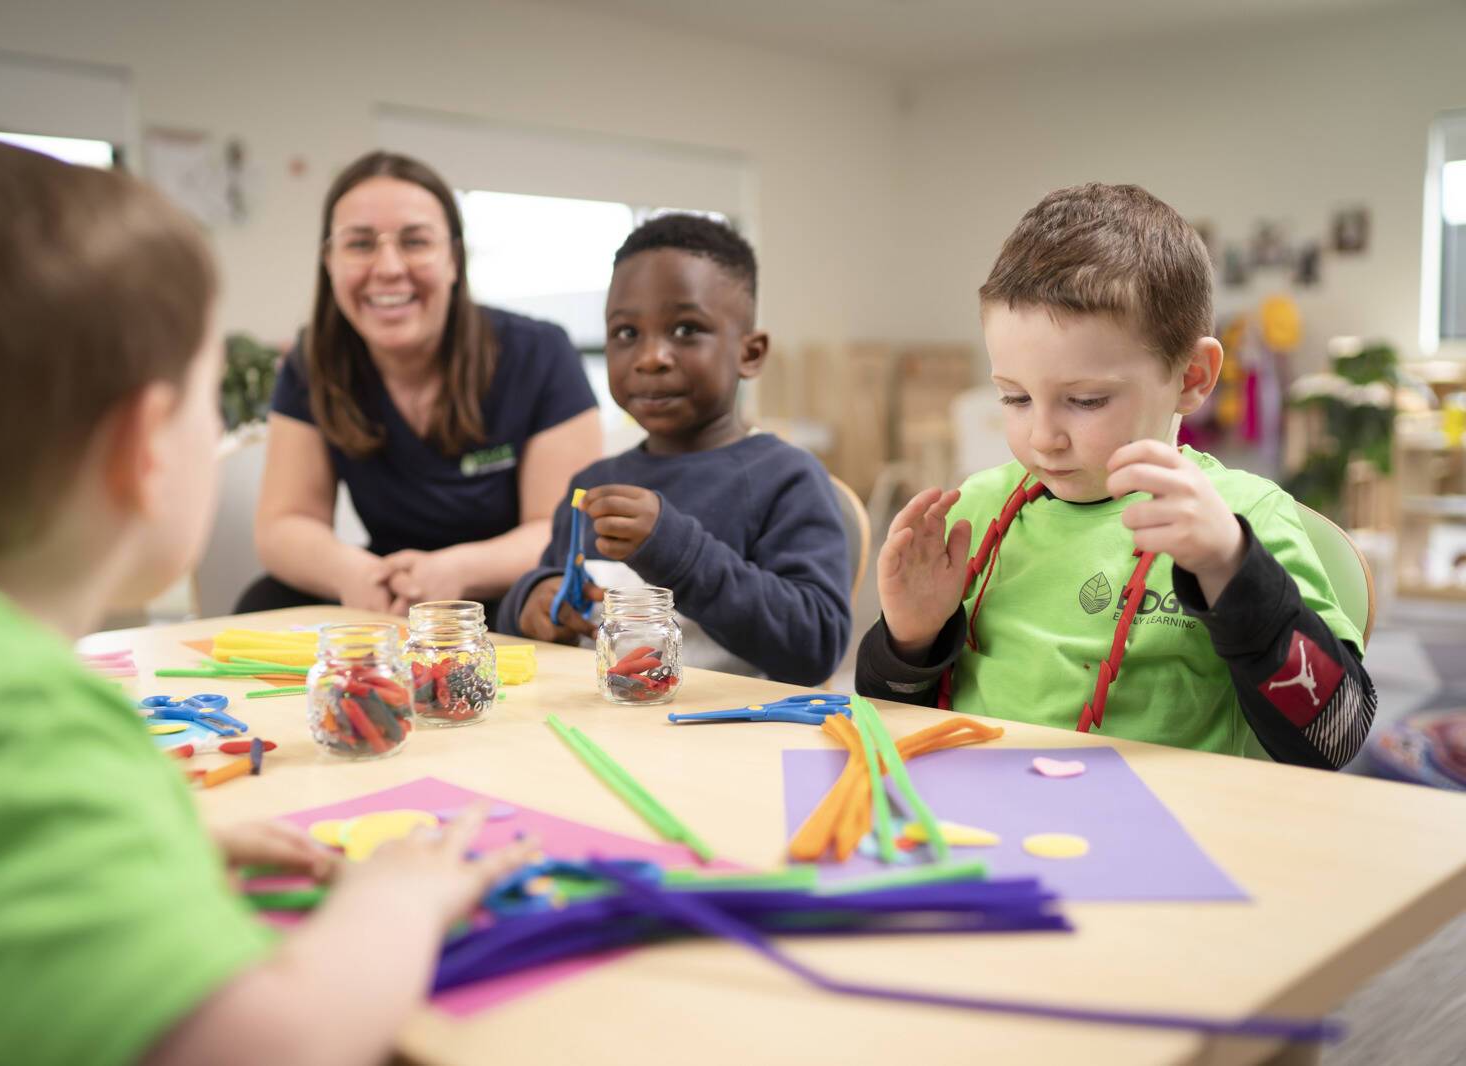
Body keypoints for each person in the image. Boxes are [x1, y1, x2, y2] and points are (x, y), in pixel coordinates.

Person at [0, 133, 533, 1066]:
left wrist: (133, 870)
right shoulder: (14, 724)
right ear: (143, 446)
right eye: (207, 401)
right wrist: (400, 901)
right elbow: (274, 1048)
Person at [856, 183, 1376, 769]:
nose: (1043, 436)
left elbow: (1336, 735)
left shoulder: (1241, 517)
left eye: (1084, 400)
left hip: (1164, 839)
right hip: (981, 827)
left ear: (1191, 377)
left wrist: (1231, 571)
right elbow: (891, 723)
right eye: (1015, 398)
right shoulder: (971, 515)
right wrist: (910, 640)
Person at [244, 151, 601, 618]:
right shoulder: (314, 362)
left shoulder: (538, 353)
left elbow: (560, 528)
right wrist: (353, 574)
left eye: (415, 242)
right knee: (263, 600)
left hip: (507, 590)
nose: (389, 267)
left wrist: (454, 572)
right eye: (360, 244)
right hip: (385, 585)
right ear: (328, 262)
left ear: (453, 259)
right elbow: (284, 525)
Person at [499, 214, 851, 686]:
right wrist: (531, 601)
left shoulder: (787, 478)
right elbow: (544, 599)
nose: (650, 358)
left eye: (686, 330)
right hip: (596, 730)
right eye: (626, 333)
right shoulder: (592, 483)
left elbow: (815, 646)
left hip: (728, 744)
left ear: (750, 353)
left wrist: (677, 553)